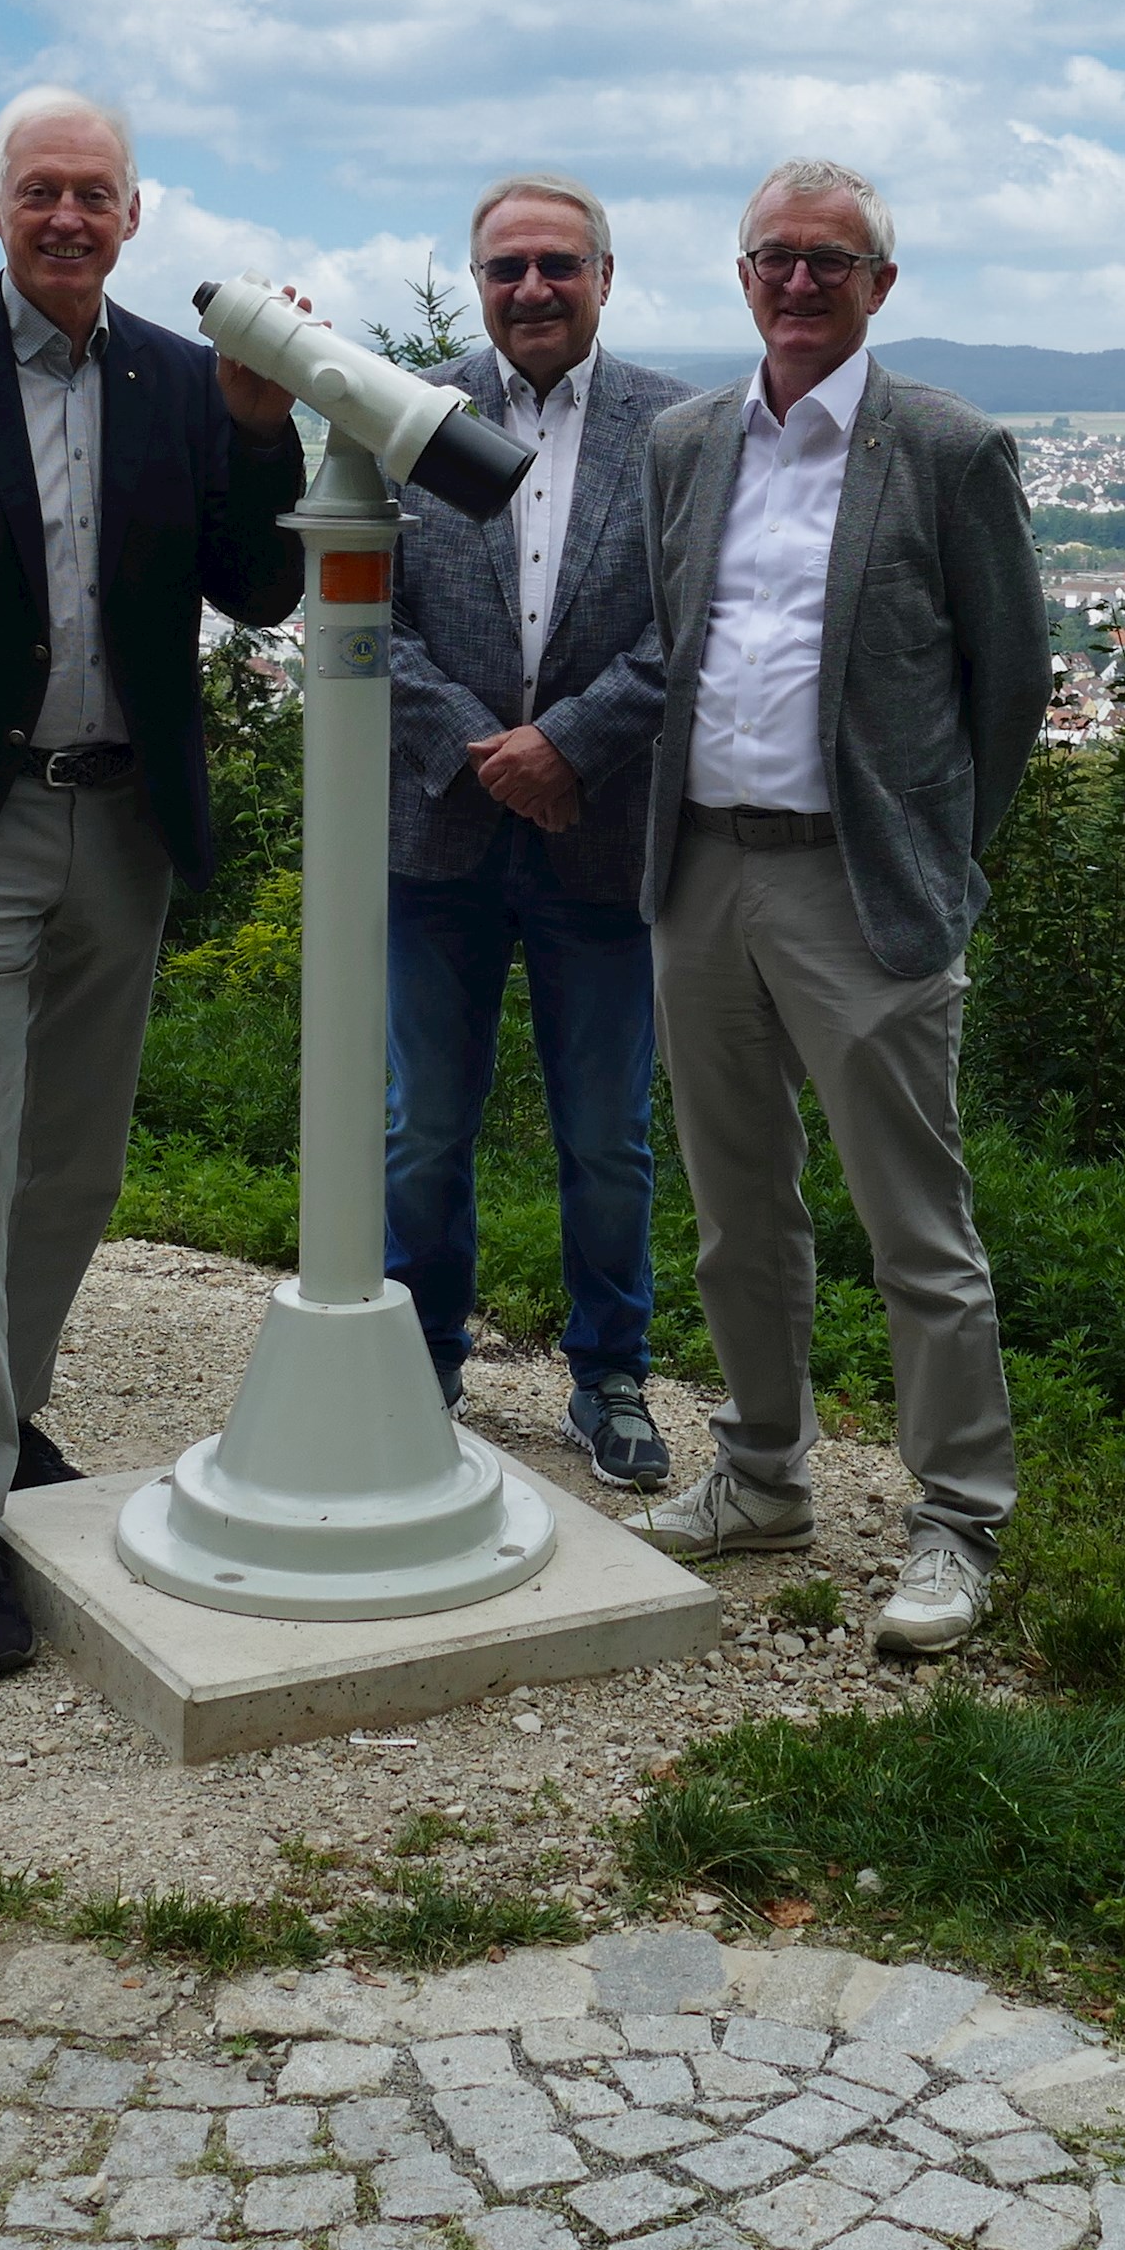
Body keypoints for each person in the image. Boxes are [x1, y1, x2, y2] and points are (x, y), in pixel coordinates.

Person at [0, 88, 307, 1678]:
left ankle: (4, 1414)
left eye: (97, 193)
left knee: (77, 1166)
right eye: (43, 191)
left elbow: (264, 583)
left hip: (127, 826)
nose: (70, 217)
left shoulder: (176, 378)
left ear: (135, 214)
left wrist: (256, 418)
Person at [627, 158, 1050, 1656]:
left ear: (881, 285)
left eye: (832, 259)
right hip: (700, 875)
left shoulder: (947, 447)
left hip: (860, 888)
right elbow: (669, 644)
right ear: (742, 277)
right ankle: (762, 1476)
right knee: (737, 1211)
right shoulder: (685, 444)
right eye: (775, 257)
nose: (800, 281)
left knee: (913, 1228)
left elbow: (1012, 685)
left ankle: (958, 1521)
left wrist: (934, 850)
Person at [379, 175, 691, 1482]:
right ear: (479, 279)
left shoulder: (676, 424)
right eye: (505, 268)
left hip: (602, 833)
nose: (531, 290)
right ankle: (414, 1376)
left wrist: (572, 744)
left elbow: (694, 619)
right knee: (421, 1130)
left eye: (558, 266)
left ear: (605, 279)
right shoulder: (410, 416)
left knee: (607, 1139)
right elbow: (361, 613)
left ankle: (610, 1381)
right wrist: (482, 750)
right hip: (438, 837)